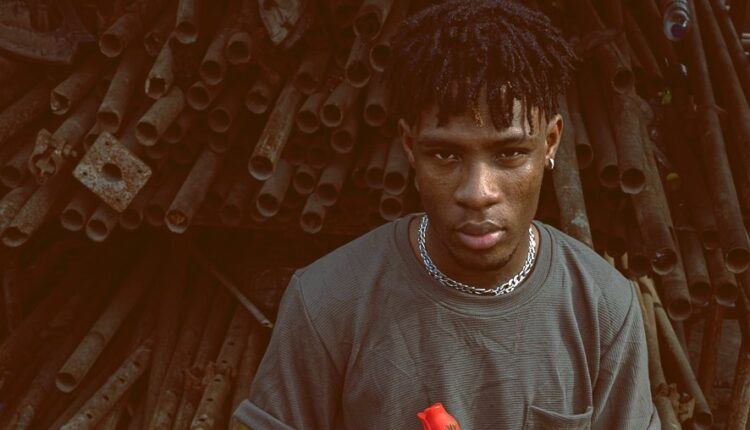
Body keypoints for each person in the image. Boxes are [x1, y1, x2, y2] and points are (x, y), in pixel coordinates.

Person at [233, 0, 659, 428]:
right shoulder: (327, 301)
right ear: (409, 146)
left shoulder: (603, 307)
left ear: (550, 143)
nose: (478, 193)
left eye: (509, 153)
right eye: (445, 155)